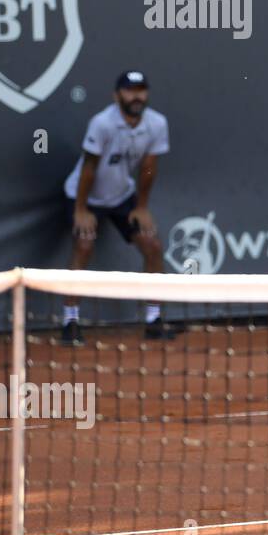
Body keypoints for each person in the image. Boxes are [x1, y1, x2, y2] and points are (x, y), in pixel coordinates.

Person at [61, 71, 178, 344]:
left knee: (152, 246)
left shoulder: (157, 123)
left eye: (141, 90)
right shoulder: (102, 124)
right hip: (83, 195)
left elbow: (149, 167)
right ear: (117, 96)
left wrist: (142, 207)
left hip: (122, 197)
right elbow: (89, 167)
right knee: (84, 245)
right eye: (129, 90)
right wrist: (81, 210)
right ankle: (70, 321)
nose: (136, 96)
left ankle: (153, 319)